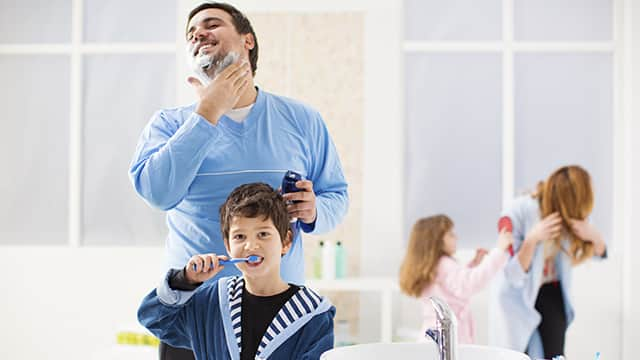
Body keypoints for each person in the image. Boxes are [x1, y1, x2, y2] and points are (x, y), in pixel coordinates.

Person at [129, 3, 348, 357]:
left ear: (248, 41)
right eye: (191, 33)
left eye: (211, 24)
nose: (198, 34)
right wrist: (208, 113)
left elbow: (337, 196)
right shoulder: (169, 125)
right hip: (194, 317)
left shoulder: (302, 120)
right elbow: (157, 193)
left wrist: (314, 209)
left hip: (277, 312)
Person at [138, 183, 335, 360]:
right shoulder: (211, 303)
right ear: (228, 245)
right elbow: (154, 319)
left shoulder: (313, 314)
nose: (251, 246)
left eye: (263, 234)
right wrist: (185, 280)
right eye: (240, 236)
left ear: (285, 242)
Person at [489, 165, 607, 359]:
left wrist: (595, 236)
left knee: (555, 354)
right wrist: (532, 239)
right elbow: (513, 274)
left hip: (552, 291)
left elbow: (599, 253)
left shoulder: (572, 213)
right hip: (516, 296)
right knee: (517, 354)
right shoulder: (520, 210)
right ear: (563, 197)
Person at [398, 214, 513, 344]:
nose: (456, 237)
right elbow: (470, 283)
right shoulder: (445, 264)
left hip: (432, 337)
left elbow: (451, 285)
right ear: (436, 240)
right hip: (448, 339)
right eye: (451, 234)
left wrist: (473, 264)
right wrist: (499, 251)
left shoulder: (432, 266)